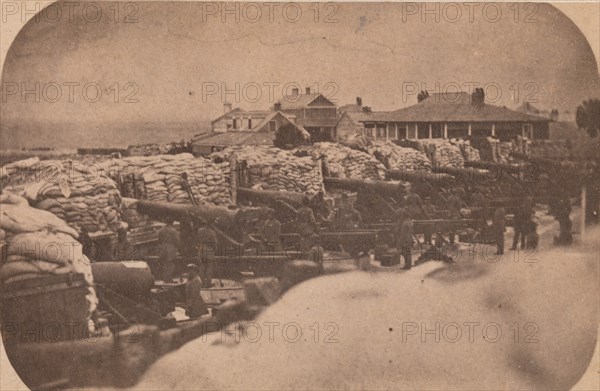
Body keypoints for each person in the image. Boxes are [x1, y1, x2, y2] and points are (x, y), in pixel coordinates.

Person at [196, 221, 219, 288]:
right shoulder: (212, 232)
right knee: (209, 268)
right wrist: (214, 250)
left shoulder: (199, 230)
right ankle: (208, 284)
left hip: (202, 249)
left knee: (202, 267)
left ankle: (201, 283)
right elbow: (215, 243)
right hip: (209, 249)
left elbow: (197, 239)